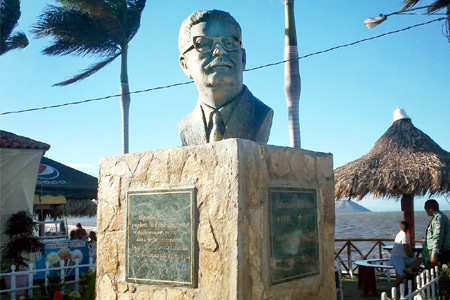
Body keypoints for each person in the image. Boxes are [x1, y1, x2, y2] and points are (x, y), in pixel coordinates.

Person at [178, 9, 273, 146]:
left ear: (243, 59)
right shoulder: (186, 127)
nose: (219, 50)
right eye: (203, 43)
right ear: (185, 65)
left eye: (229, 43)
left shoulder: (260, 115)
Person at [390, 221, 422, 287]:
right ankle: (392, 288)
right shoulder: (404, 235)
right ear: (408, 228)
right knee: (403, 275)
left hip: (403, 258)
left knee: (419, 260)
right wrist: (411, 255)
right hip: (397, 258)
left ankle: (409, 269)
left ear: (400, 227)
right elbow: (406, 246)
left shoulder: (399, 234)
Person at [424, 199, 450, 267]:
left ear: (429, 209)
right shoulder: (442, 217)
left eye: (425, 208)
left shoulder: (438, 219)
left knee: (435, 274)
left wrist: (433, 255)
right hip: (440, 252)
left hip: (440, 253)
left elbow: (437, 238)